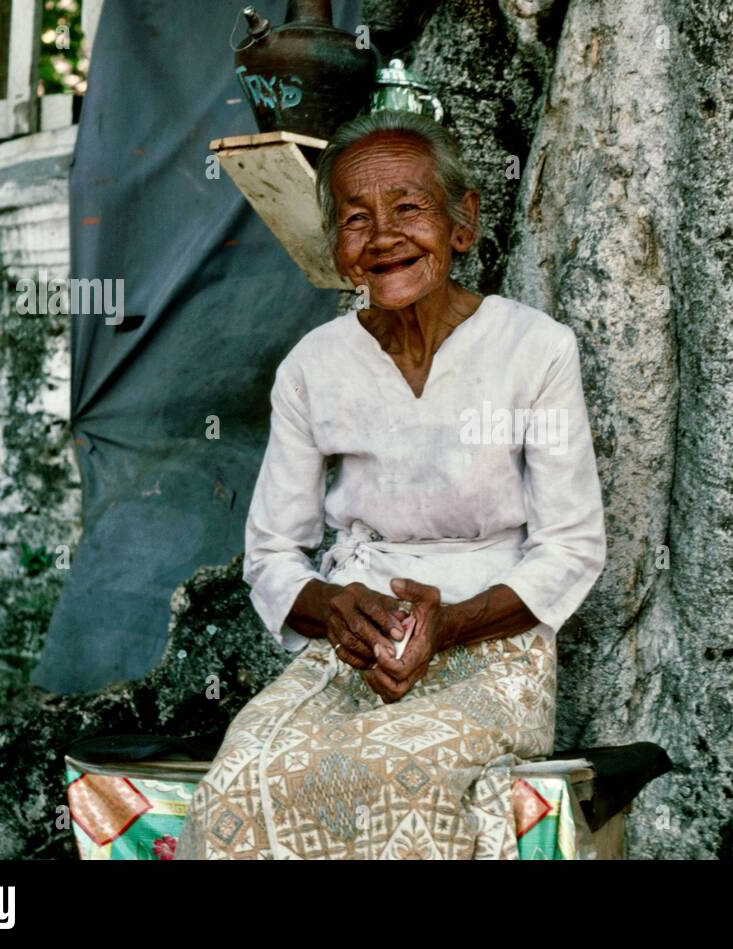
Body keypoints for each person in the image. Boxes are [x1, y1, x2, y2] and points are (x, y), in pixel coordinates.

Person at [175, 109, 606, 859]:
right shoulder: (313, 366)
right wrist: (336, 610)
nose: (382, 237)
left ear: (462, 222)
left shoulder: (535, 349)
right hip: (354, 646)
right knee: (237, 783)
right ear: (338, 250)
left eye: (409, 208)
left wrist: (451, 623)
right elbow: (273, 552)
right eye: (354, 219)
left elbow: (571, 544)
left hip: (496, 647)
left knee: (398, 776)